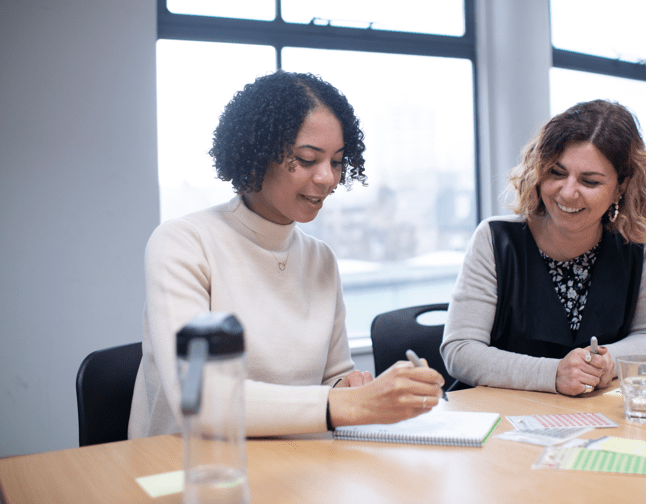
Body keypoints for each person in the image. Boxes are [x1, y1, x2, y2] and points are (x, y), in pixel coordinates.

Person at [129, 71, 444, 438]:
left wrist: (353, 387)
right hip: (193, 473)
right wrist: (352, 404)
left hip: (295, 466)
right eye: (308, 159)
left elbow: (333, 379)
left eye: (338, 161)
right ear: (257, 155)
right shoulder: (184, 243)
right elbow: (199, 397)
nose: (327, 177)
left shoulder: (320, 260)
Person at [441, 99, 646, 397]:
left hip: (592, 418)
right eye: (556, 173)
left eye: (589, 181)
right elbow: (460, 352)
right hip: (498, 420)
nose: (568, 192)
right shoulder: (495, 239)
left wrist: (609, 362)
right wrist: (553, 374)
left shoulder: (635, 245)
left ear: (621, 187)